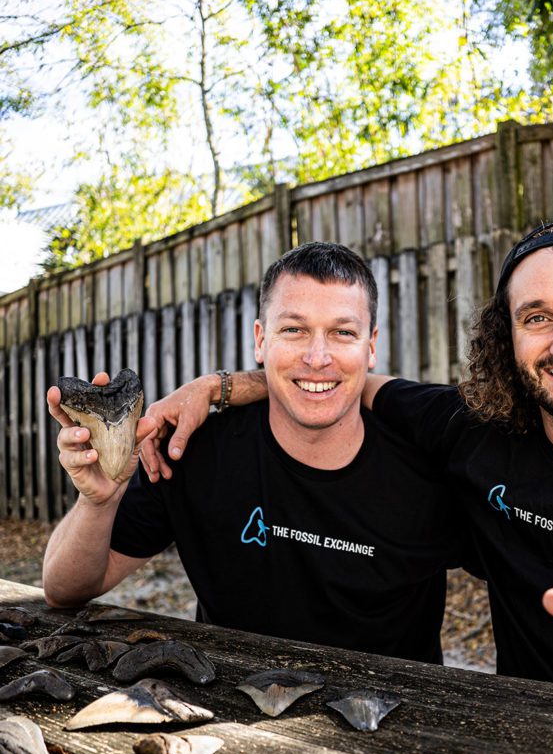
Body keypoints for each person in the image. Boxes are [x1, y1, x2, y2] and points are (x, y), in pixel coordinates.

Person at [140, 219, 553, 727]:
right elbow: (344, 377)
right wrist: (223, 388)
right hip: (515, 744)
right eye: (536, 318)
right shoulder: (474, 436)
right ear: (507, 340)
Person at [42, 243, 470, 664]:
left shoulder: (428, 468)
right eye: (294, 329)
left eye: (342, 332)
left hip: (395, 717)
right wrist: (98, 502)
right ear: (260, 340)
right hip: (228, 712)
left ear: (370, 346)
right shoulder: (192, 452)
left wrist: (217, 386)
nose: (317, 357)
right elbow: (64, 590)